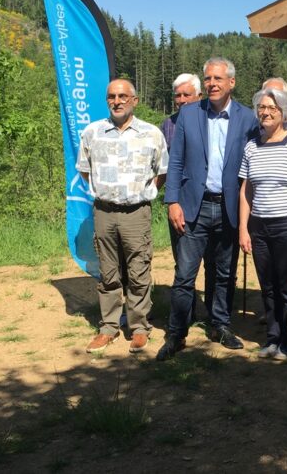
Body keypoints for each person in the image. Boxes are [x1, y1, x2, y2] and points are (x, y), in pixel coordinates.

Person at [158, 57, 259, 360]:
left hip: (228, 206)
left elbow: (254, 164)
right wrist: (172, 200)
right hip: (193, 207)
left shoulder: (248, 118)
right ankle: (176, 334)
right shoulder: (188, 115)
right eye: (208, 79)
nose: (212, 83)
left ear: (232, 82)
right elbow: (175, 162)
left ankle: (220, 325)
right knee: (185, 275)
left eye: (218, 78)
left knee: (224, 273)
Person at [79, 78, 168, 354]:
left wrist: (142, 193)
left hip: (136, 213)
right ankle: (108, 327)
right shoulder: (93, 132)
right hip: (104, 211)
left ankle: (139, 327)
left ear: (134, 101)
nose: (116, 101)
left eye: (122, 96)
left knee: (138, 269)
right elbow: (85, 169)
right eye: (111, 97)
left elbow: (161, 171)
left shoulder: (151, 134)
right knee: (108, 272)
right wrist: (104, 190)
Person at [239, 88, 287, 361]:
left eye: (272, 108)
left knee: (286, 285)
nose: (266, 112)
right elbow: (246, 191)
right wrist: (243, 229)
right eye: (261, 107)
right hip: (259, 226)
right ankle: (272, 338)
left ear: (284, 113)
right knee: (267, 285)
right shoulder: (251, 146)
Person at [160, 73, 206, 324]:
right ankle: (185, 316)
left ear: (199, 96)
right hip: (179, 204)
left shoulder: (211, 120)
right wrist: (170, 201)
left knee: (214, 263)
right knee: (183, 263)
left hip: (210, 203)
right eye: (177, 95)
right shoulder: (167, 125)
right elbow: (164, 168)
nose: (181, 100)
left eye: (187, 95)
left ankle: (216, 315)